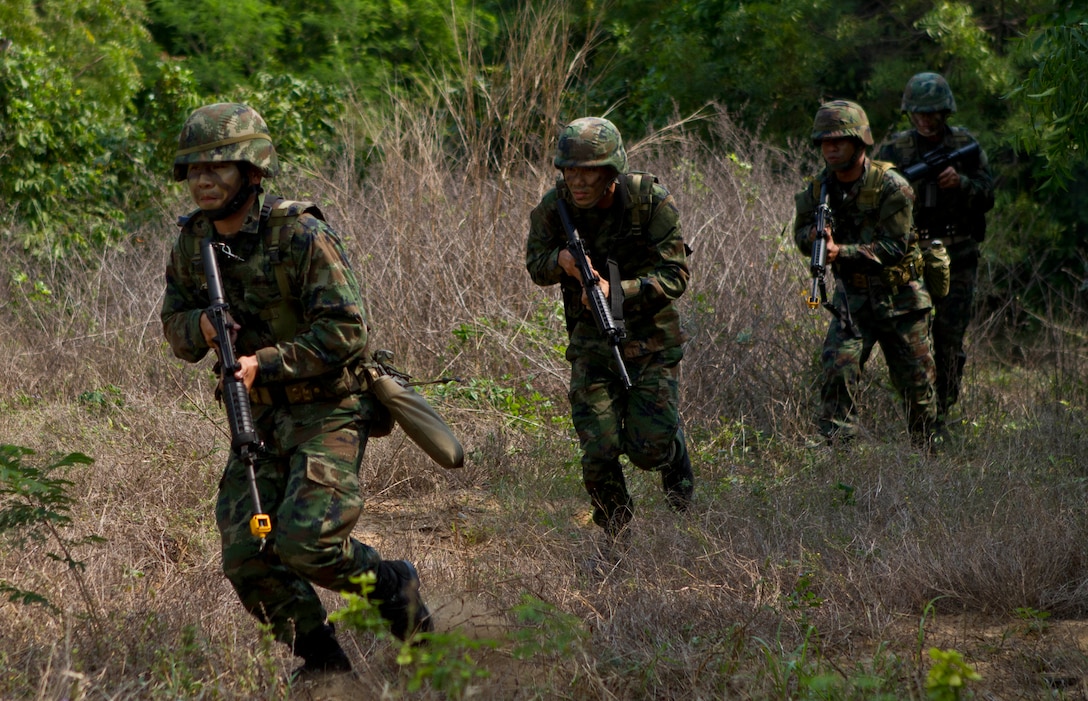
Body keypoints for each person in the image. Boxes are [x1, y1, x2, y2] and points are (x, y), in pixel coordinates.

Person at [160, 103, 432, 678]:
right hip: (255, 419)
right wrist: (204, 327)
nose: (203, 181)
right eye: (194, 170)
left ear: (252, 173)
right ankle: (323, 664)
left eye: (219, 168)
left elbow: (347, 332)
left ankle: (393, 586)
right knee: (248, 556)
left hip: (328, 408)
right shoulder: (192, 245)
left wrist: (266, 361)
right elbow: (175, 329)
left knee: (307, 543)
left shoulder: (301, 234)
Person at [525, 116, 694, 539]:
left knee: (648, 451)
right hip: (591, 343)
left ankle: (673, 452)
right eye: (570, 171)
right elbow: (535, 265)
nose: (578, 182)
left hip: (651, 340)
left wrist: (615, 289)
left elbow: (676, 274)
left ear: (611, 171)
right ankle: (616, 532)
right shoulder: (554, 208)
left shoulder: (649, 201)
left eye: (590, 171)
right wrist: (561, 262)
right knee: (598, 449)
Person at [794, 100, 938, 445]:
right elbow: (799, 236)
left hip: (901, 299)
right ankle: (837, 454)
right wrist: (813, 238)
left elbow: (895, 248)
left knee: (917, 387)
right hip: (853, 300)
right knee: (837, 370)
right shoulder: (817, 190)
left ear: (860, 143)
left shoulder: (892, 186)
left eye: (838, 141)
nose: (830, 149)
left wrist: (840, 251)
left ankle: (929, 456)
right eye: (824, 142)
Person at [876, 72, 995, 424]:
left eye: (933, 113)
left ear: (946, 112)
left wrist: (962, 184)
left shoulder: (965, 146)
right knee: (913, 341)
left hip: (958, 255)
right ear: (910, 113)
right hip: (912, 257)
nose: (926, 120)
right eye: (919, 114)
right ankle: (920, 418)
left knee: (949, 342)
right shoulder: (895, 150)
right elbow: (875, 201)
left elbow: (988, 195)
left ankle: (942, 409)